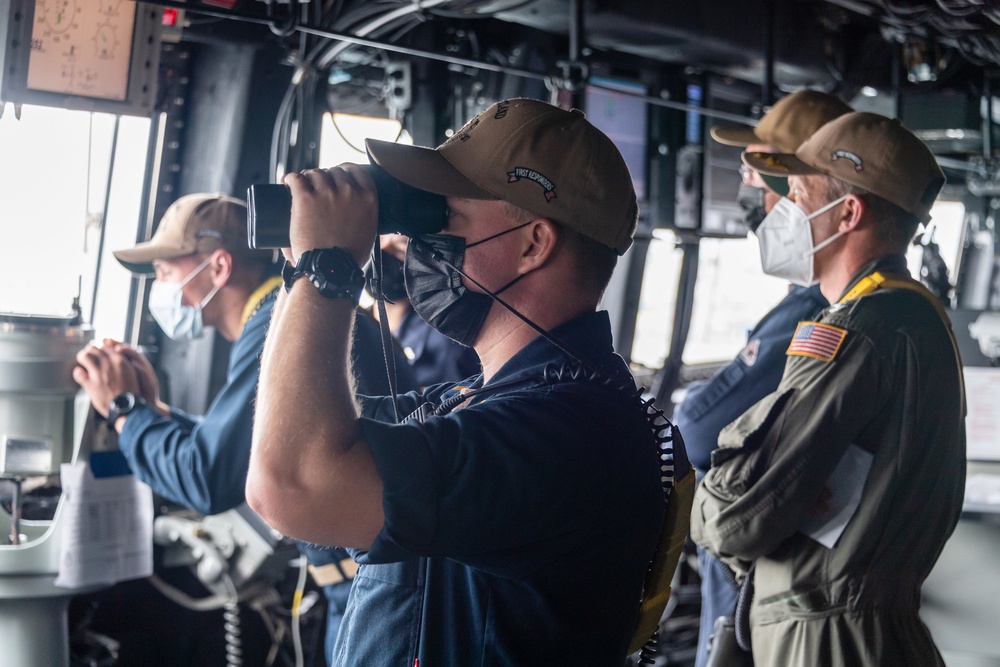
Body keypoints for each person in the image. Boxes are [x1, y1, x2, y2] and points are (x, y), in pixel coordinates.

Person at [246, 98, 669, 665]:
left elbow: (293, 485)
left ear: (532, 244)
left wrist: (325, 270)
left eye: (446, 217)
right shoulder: (510, 398)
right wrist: (308, 260)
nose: (423, 244)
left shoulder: (565, 432)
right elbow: (311, 432)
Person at [72, 192, 415, 664]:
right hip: (370, 579)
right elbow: (243, 445)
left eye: (166, 271)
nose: (160, 287)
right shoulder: (295, 316)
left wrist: (125, 409)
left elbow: (209, 477)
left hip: (377, 589)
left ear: (218, 268)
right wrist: (156, 411)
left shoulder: (281, 326)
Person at [691, 112, 966, 666]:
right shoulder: (912, 316)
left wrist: (704, 501)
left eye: (796, 193)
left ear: (847, 212)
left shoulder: (856, 331)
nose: (784, 211)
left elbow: (736, 519)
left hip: (825, 642)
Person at [676, 89, 850, 667]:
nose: (748, 189)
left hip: (774, 597)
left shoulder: (815, 313)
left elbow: (696, 433)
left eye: (761, 174)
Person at [367, 234, 480, 388]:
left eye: (399, 249)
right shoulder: (355, 328)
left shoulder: (448, 335)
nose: (383, 248)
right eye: (378, 240)